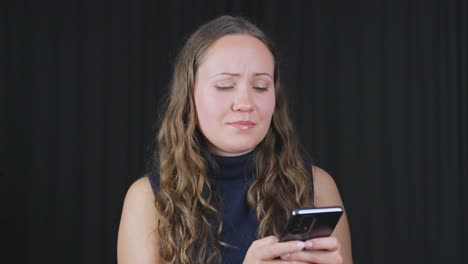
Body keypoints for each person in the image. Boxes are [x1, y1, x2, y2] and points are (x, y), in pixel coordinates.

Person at [117, 15, 352, 264]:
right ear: (189, 97)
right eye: (225, 85)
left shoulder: (317, 186)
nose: (245, 103)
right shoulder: (149, 200)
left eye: (261, 86)